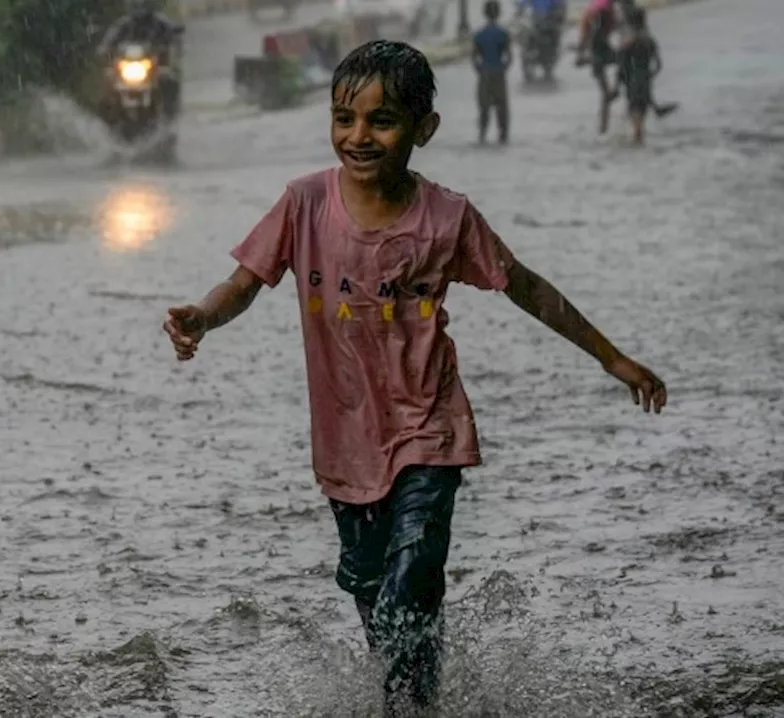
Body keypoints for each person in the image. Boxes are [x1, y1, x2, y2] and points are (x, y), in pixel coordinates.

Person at [162, 40, 667, 716]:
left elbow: (526, 288)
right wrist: (202, 315)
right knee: (372, 596)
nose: (359, 136)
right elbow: (245, 282)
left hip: (430, 429)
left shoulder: (446, 218)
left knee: (407, 582)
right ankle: (418, 703)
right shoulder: (305, 202)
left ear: (423, 129)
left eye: (382, 120)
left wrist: (611, 357)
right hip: (344, 439)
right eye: (344, 118)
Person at [96, 0, 185, 123]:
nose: (140, 9)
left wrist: (169, 46)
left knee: (169, 78)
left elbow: (174, 37)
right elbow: (108, 41)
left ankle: (169, 117)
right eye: (137, 4)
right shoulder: (123, 25)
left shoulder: (160, 24)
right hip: (126, 69)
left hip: (154, 69)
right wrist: (104, 49)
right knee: (107, 81)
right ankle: (105, 121)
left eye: (143, 4)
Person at [616, 7, 671, 145]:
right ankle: (640, 145)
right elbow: (658, 65)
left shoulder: (629, 42)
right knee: (641, 120)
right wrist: (649, 76)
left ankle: (637, 148)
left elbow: (622, 65)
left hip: (632, 81)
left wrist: (617, 84)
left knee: (634, 118)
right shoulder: (650, 40)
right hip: (646, 81)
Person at [576, 0, 619, 134]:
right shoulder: (600, 14)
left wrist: (581, 53)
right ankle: (603, 128)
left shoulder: (599, 12)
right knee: (606, 93)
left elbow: (586, 37)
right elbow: (589, 36)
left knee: (606, 93)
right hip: (598, 54)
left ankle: (603, 127)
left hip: (602, 51)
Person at [472, 0, 511, 145]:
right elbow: (509, 56)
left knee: (484, 106)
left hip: (485, 73)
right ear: (498, 13)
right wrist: (503, 68)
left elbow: (474, 57)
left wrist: (480, 70)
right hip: (498, 72)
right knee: (502, 106)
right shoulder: (503, 33)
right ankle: (503, 135)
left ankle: (482, 134)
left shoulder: (479, 34)